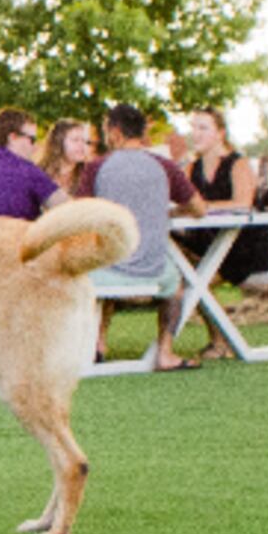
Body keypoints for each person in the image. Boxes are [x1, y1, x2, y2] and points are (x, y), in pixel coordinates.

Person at [88, 105, 200, 370]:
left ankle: (96, 344)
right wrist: (165, 208)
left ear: (115, 133)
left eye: (105, 131)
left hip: (108, 270)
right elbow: (199, 208)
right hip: (154, 271)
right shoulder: (166, 166)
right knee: (178, 286)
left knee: (95, 262)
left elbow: (83, 213)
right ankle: (166, 352)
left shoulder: (97, 167)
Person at [177, 110, 266, 285]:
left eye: (203, 128)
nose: (196, 134)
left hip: (242, 247)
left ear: (220, 134)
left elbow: (243, 204)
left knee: (190, 282)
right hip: (208, 243)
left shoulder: (238, 164)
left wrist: (204, 207)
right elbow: (184, 202)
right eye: (193, 128)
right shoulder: (191, 168)